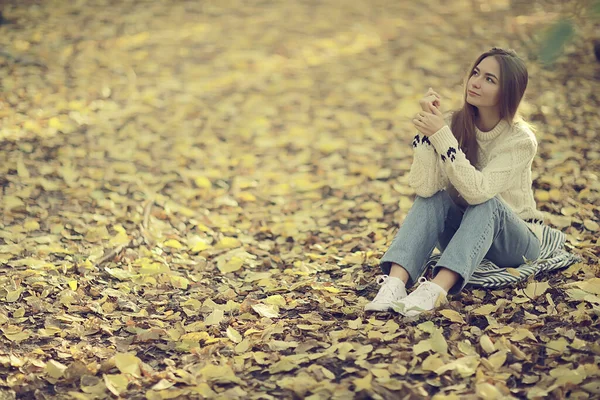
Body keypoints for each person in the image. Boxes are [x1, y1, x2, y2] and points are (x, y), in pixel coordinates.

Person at [365, 47, 544, 316]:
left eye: (489, 79)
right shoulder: (450, 123)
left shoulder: (520, 140)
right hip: (465, 235)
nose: (475, 82)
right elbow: (425, 188)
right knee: (434, 197)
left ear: (507, 93)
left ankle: (435, 290)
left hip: (515, 243)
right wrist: (427, 136)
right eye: (476, 73)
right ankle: (395, 282)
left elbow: (478, 193)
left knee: (487, 203)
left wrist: (441, 137)